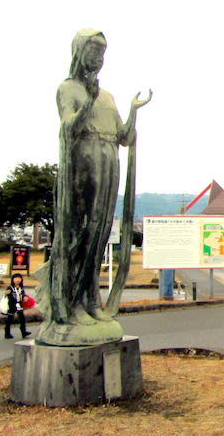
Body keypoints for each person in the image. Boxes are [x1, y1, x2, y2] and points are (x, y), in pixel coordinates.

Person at [35, 29, 151, 345]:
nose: (98, 59)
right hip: (83, 168)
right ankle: (70, 306)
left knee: (99, 236)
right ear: (79, 52)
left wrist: (133, 111)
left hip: (108, 163)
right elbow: (68, 128)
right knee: (80, 235)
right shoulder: (67, 89)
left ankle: (90, 301)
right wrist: (86, 102)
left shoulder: (108, 96)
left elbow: (124, 137)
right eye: (93, 51)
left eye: (102, 53)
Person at [4, 273, 31, 339]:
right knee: (10, 318)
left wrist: (24, 297)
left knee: (22, 318)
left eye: (19, 278)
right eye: (16, 278)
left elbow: (23, 294)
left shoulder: (21, 288)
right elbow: (6, 295)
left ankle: (23, 331)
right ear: (12, 280)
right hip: (12, 305)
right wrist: (6, 293)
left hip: (19, 305)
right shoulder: (10, 288)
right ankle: (7, 333)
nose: (17, 280)